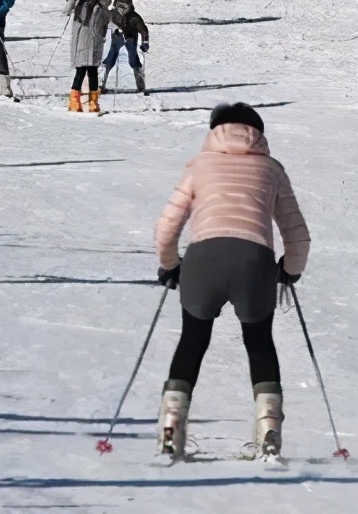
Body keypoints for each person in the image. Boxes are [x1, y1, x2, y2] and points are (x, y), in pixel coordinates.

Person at [153, 103, 311, 460]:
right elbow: (298, 235)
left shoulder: (200, 165)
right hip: (255, 264)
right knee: (259, 343)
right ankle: (269, 426)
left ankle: (171, 427)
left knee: (192, 341)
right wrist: (289, 269)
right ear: (258, 133)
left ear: (215, 130)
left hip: (203, 260)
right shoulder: (271, 169)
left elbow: (167, 227)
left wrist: (170, 265)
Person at [65, 0, 110, 113]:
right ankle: (74, 102)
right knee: (81, 71)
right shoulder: (77, 0)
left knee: (93, 73)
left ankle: (93, 103)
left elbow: (107, 4)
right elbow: (67, 10)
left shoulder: (98, 0)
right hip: (82, 41)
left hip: (94, 40)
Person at [104, 0, 149, 93]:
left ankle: (140, 85)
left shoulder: (134, 17)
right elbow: (103, 22)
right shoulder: (112, 13)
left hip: (130, 39)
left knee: (134, 59)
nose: (122, 9)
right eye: (120, 6)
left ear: (129, 6)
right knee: (110, 57)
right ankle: (101, 83)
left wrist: (145, 42)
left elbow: (143, 30)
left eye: (125, 7)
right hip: (117, 38)